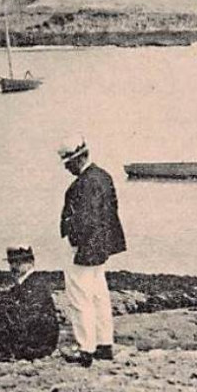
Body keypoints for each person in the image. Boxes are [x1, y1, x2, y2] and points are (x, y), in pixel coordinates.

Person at [57, 135, 126, 366]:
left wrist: (73, 241)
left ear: (76, 159)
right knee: (99, 296)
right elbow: (111, 212)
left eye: (67, 163)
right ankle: (104, 345)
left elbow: (84, 219)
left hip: (83, 249)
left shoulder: (83, 184)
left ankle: (85, 348)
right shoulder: (103, 176)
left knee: (80, 298)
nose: (67, 168)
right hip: (100, 247)